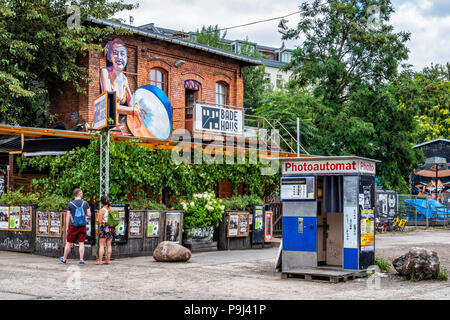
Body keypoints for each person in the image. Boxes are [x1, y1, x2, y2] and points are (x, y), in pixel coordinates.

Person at [59, 188, 91, 265]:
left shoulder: (70, 204)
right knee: (81, 243)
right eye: (82, 193)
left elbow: (68, 216)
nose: (82, 194)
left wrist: (67, 226)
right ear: (79, 194)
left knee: (69, 242)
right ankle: (81, 260)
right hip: (82, 225)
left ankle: (64, 258)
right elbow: (89, 214)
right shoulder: (85, 203)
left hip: (73, 226)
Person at [96, 195, 115, 265]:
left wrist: (98, 218)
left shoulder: (101, 210)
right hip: (111, 227)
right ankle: (108, 260)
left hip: (104, 227)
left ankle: (100, 261)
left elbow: (100, 221)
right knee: (109, 245)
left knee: (101, 245)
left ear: (101, 203)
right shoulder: (111, 209)